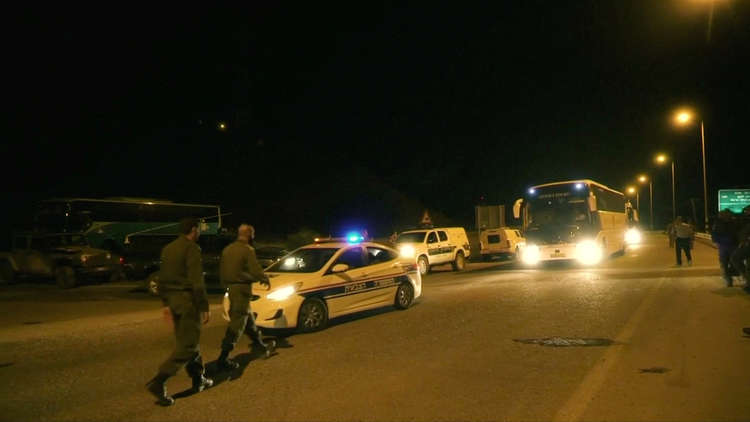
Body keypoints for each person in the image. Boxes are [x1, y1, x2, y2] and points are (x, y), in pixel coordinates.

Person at [147, 218, 213, 406]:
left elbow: (162, 279)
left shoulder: (168, 249)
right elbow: (196, 281)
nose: (199, 233)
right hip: (187, 302)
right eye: (198, 230)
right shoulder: (192, 248)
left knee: (189, 341)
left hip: (174, 302)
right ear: (193, 230)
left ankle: (198, 377)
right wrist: (204, 306)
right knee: (188, 346)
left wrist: (166, 304)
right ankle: (159, 381)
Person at [216, 224, 274, 370]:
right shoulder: (247, 250)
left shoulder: (227, 249)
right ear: (249, 234)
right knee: (237, 323)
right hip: (242, 290)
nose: (253, 237)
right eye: (252, 234)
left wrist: (226, 287)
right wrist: (264, 278)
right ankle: (223, 358)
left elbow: (222, 270)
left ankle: (261, 346)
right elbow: (255, 269)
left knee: (249, 322)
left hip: (232, 289)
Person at [711, 210, 738, 286]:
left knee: (729, 263)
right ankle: (729, 278)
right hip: (727, 246)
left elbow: (714, 235)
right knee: (726, 263)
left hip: (729, 246)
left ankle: (729, 277)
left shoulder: (733, 223)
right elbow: (714, 235)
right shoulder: (719, 224)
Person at [730, 205, 750, 287]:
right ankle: (747, 280)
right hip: (744, 245)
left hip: (746, 245)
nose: (746, 213)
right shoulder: (743, 221)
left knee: (735, 258)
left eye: (747, 211)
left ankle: (746, 279)